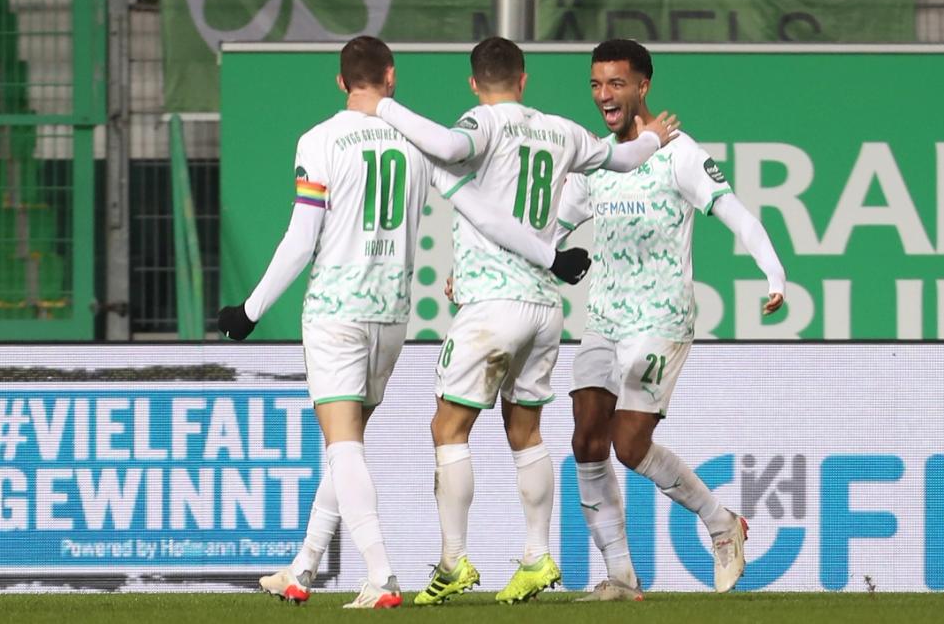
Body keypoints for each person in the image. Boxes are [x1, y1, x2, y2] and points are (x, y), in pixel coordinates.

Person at [217, 36, 590, 609]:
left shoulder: (320, 140)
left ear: (342, 82)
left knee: (343, 446)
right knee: (346, 445)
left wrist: (250, 310)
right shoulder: (415, 143)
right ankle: (304, 568)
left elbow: (300, 239)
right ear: (390, 78)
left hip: (337, 312)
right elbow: (484, 213)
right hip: (391, 316)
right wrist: (550, 255)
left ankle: (380, 574)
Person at [346, 36, 680, 605]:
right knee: (525, 431)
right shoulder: (562, 130)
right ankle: (535, 555)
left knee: (447, 429)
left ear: (475, 83)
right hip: (545, 308)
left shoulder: (480, 123)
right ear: (524, 80)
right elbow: (623, 159)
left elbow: (451, 145)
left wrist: (383, 106)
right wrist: (651, 138)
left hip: (492, 305)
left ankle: (453, 562)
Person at [555, 39, 787, 601]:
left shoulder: (678, 152)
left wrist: (774, 273)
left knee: (629, 446)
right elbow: (548, 230)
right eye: (595, 84)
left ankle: (721, 522)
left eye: (616, 83)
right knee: (587, 439)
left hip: (661, 319)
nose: (604, 96)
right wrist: (478, 272)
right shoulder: (597, 159)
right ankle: (620, 576)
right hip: (605, 318)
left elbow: (735, 212)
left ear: (642, 86)